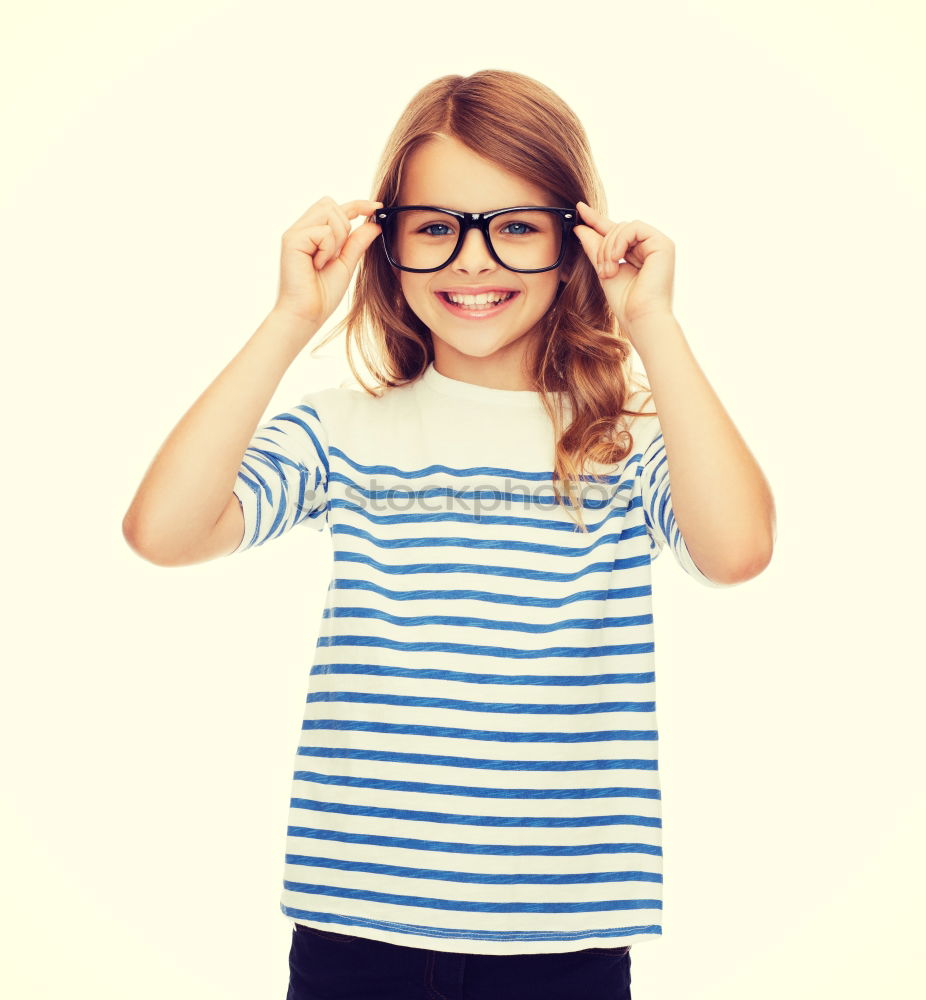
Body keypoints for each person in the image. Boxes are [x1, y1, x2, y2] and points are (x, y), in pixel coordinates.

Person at [123, 69, 775, 1000]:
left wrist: (653, 322)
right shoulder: (344, 428)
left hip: (566, 934)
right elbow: (163, 531)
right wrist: (289, 317)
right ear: (387, 247)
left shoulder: (627, 441)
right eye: (435, 227)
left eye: (514, 226)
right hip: (356, 923)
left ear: (572, 242)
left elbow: (738, 550)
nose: (474, 262)